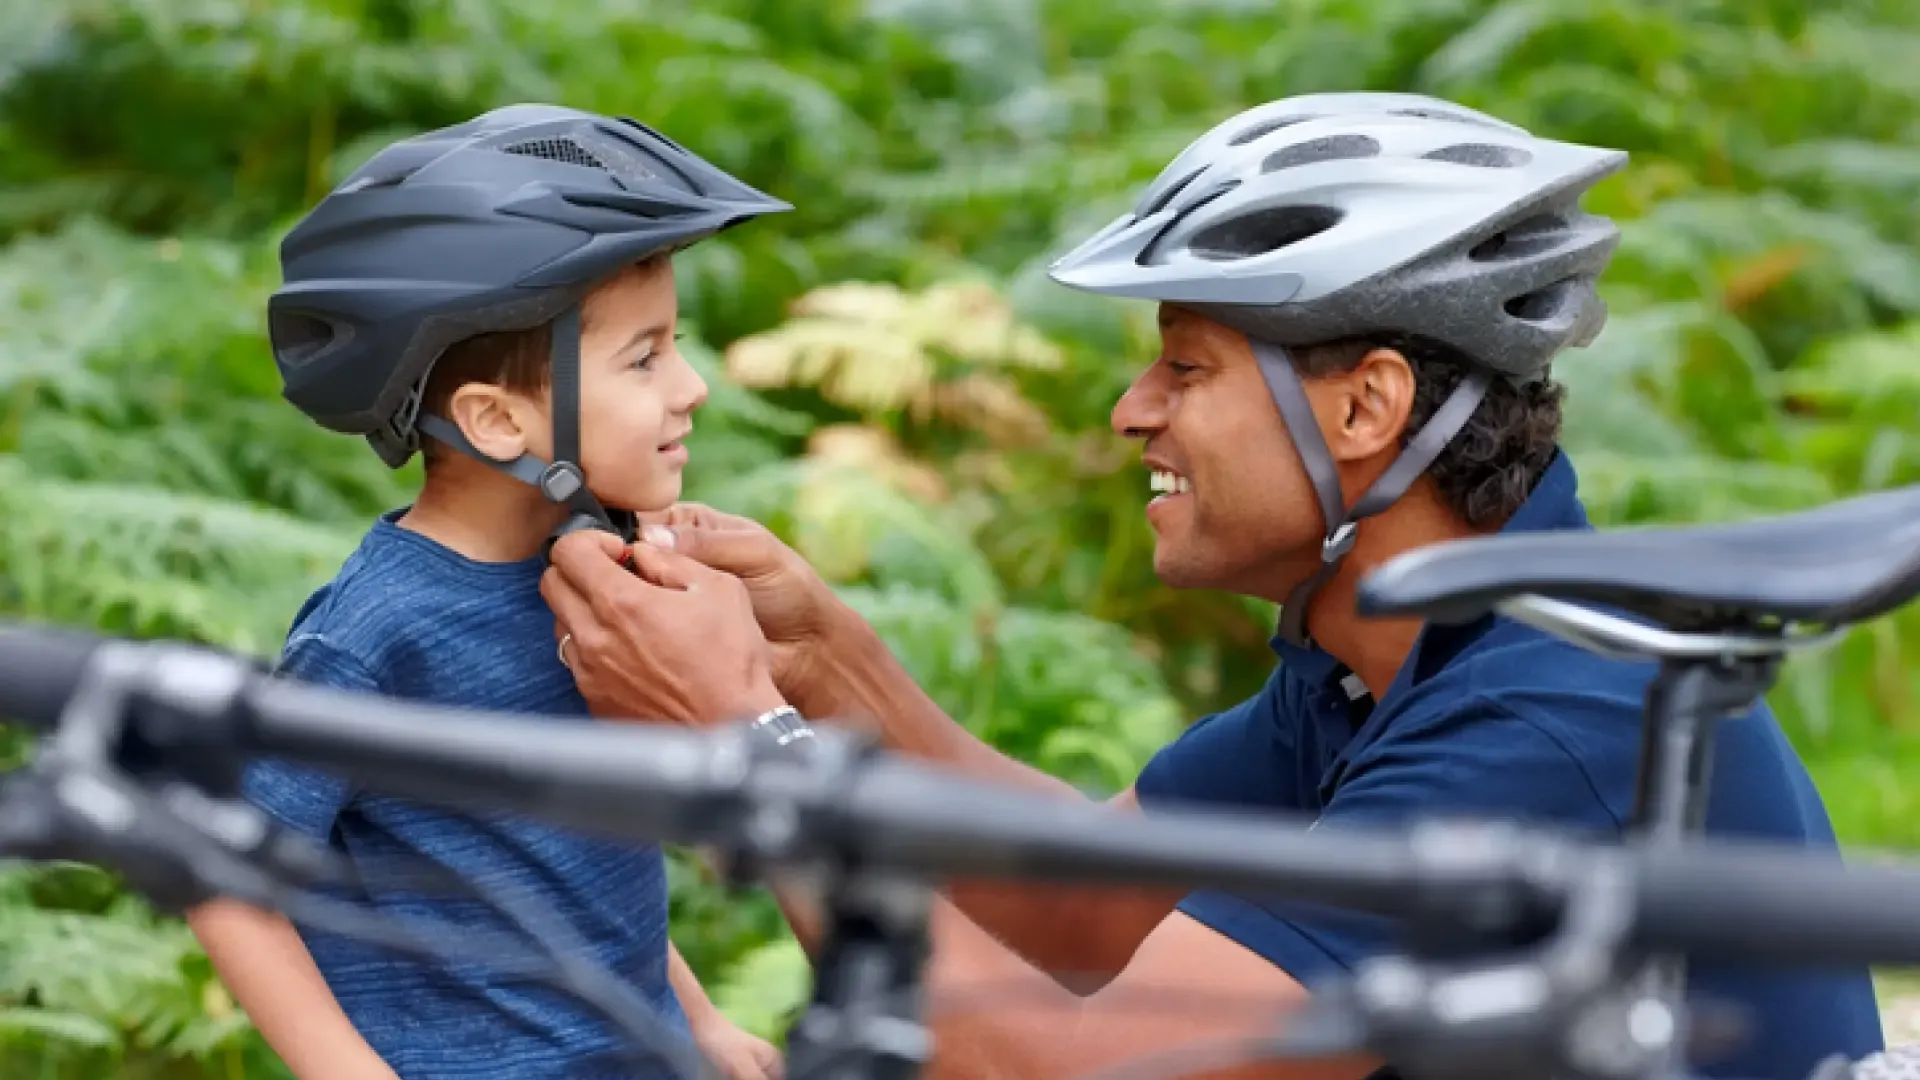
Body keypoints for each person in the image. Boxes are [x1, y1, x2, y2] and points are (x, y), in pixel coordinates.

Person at [538, 93, 1886, 1080]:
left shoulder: (1541, 715)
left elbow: (1069, 1073)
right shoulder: (1392, 658)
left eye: (1185, 369)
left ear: (1369, 406)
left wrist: (750, 750)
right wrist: (826, 670)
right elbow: (1086, 910)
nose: (1131, 412)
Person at [185, 104, 789, 1080]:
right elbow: (222, 871)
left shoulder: (597, 586)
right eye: (645, 357)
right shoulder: (378, 633)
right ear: (497, 421)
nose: (693, 388)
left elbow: (571, 880)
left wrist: (702, 1023)